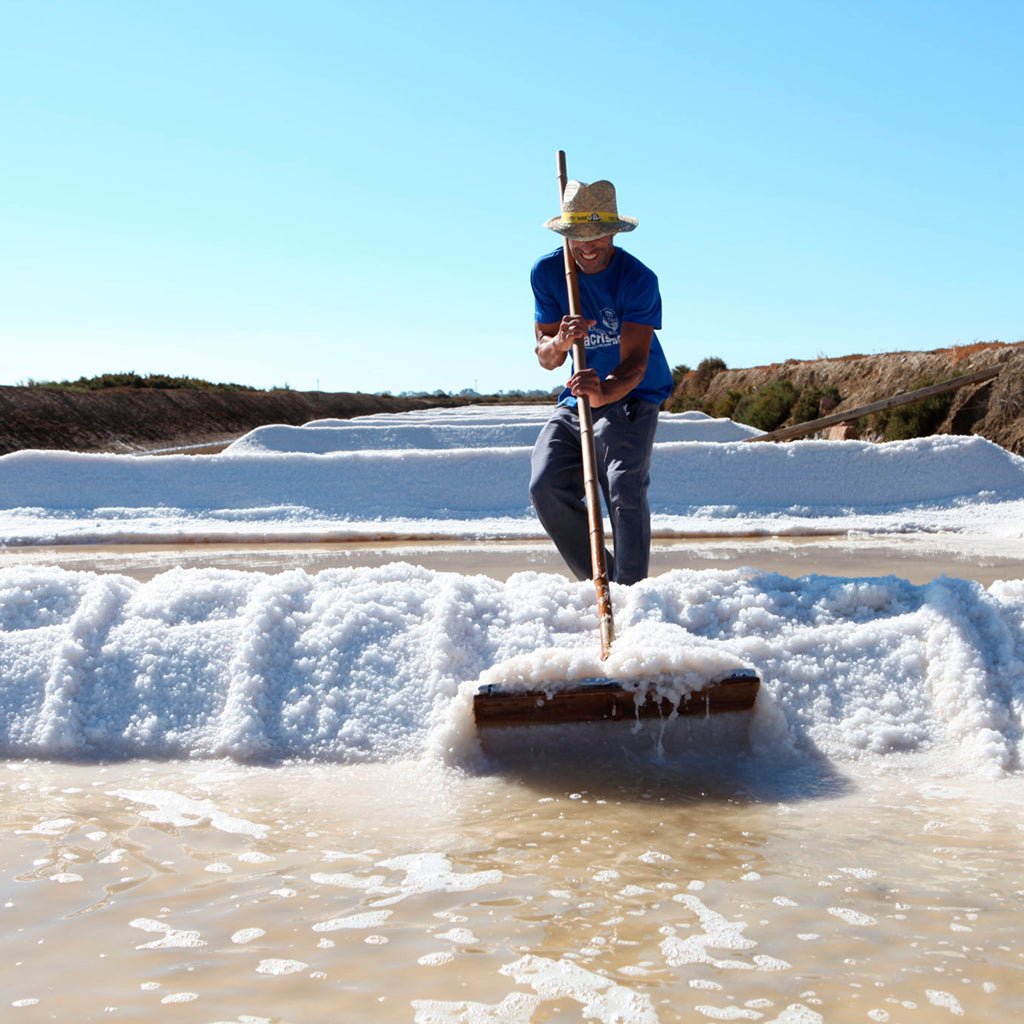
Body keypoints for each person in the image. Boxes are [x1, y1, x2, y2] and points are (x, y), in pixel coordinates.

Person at [529, 178, 674, 586]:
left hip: (631, 394)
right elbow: (544, 357)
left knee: (622, 484)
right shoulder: (547, 272)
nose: (588, 246)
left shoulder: (638, 279)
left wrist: (604, 391)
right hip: (575, 394)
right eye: (578, 236)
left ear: (613, 231)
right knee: (545, 484)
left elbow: (634, 364)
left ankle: (631, 591)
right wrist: (560, 341)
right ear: (566, 234)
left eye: (597, 235)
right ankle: (603, 582)